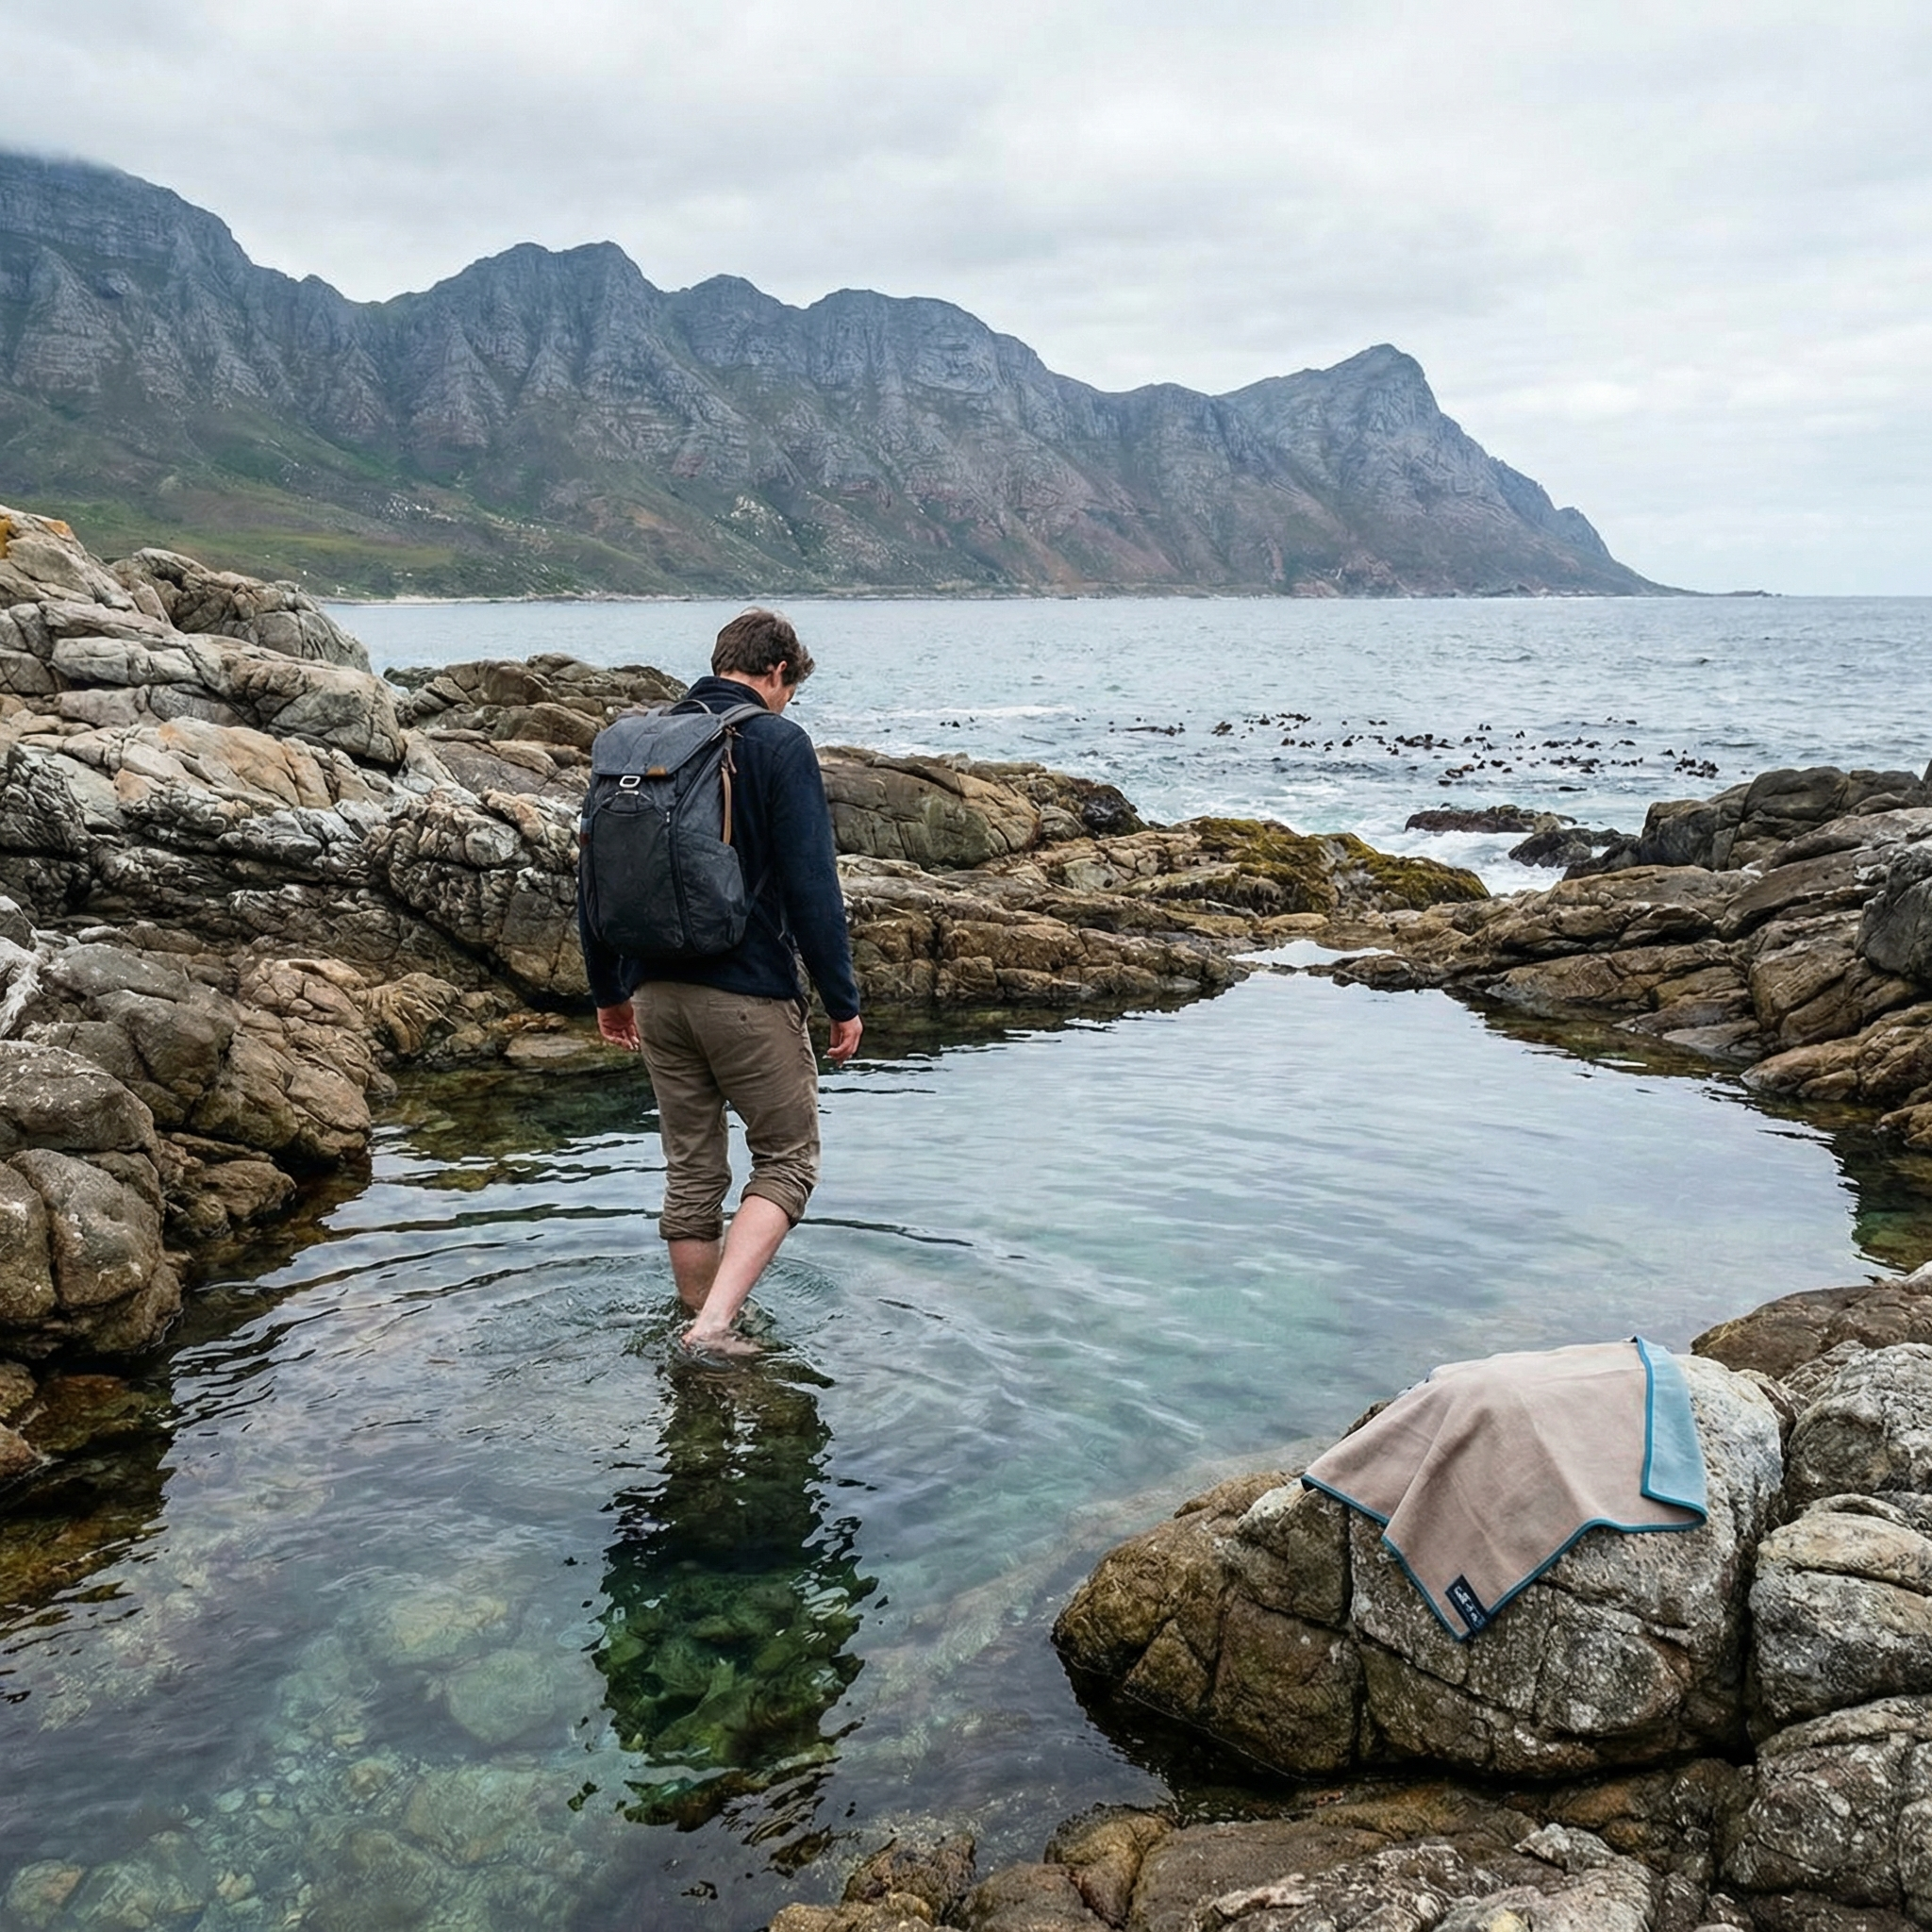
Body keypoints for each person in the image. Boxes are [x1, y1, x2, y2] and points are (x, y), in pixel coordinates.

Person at [581, 608, 862, 1354]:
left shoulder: (636, 743)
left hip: (652, 993)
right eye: (789, 688)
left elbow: (592, 881)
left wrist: (608, 992)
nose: (787, 700)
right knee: (787, 1160)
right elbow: (812, 886)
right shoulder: (774, 740)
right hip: (747, 991)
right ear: (777, 674)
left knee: (692, 1170)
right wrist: (843, 1001)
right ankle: (714, 1326)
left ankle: (695, 1329)